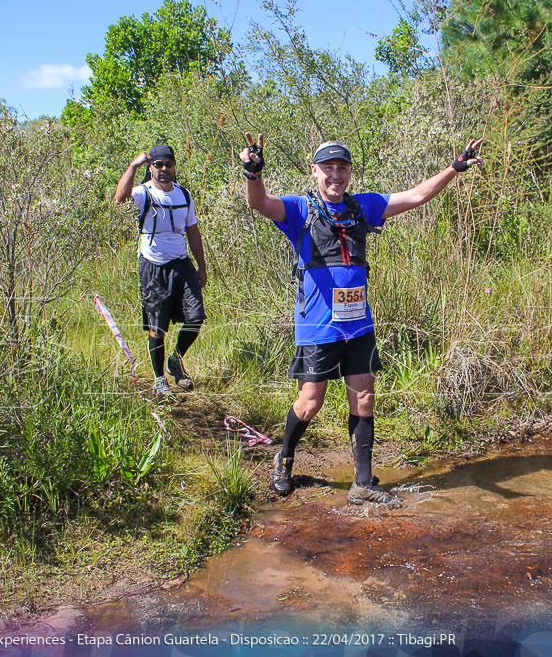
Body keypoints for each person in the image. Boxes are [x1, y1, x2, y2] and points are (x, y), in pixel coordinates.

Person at [238, 133, 483, 506]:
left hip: (359, 325)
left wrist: (454, 168)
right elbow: (261, 204)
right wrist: (253, 173)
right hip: (317, 325)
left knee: (365, 396)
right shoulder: (300, 209)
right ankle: (284, 458)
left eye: (342, 168)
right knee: (310, 402)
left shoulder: (362, 207)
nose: (335, 175)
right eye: (328, 168)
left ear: (350, 172)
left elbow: (415, 196)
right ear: (314, 171)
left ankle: (363, 484)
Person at [115, 144, 207, 398]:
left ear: (174, 166)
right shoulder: (144, 193)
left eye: (168, 164)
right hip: (153, 265)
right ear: (151, 167)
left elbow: (193, 230)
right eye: (158, 165)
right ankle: (159, 380)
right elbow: (120, 199)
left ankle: (176, 361)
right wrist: (134, 166)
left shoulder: (184, 195)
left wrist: (201, 265)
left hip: (181, 263)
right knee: (158, 328)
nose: (164, 169)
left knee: (195, 318)